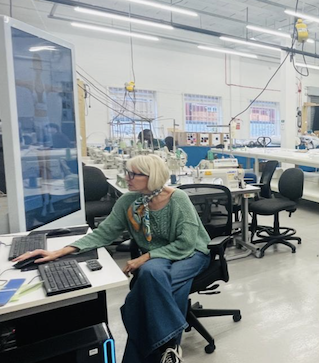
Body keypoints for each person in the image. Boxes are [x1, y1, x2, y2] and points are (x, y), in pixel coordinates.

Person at [13, 155, 211, 363]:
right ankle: (168, 348)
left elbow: (186, 243)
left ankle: (163, 348)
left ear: (151, 176)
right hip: (159, 255)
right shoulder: (128, 202)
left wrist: (145, 256)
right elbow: (104, 233)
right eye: (127, 173)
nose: (127, 178)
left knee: (149, 285)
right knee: (151, 274)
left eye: (133, 174)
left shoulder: (178, 199)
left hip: (192, 252)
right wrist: (60, 252)